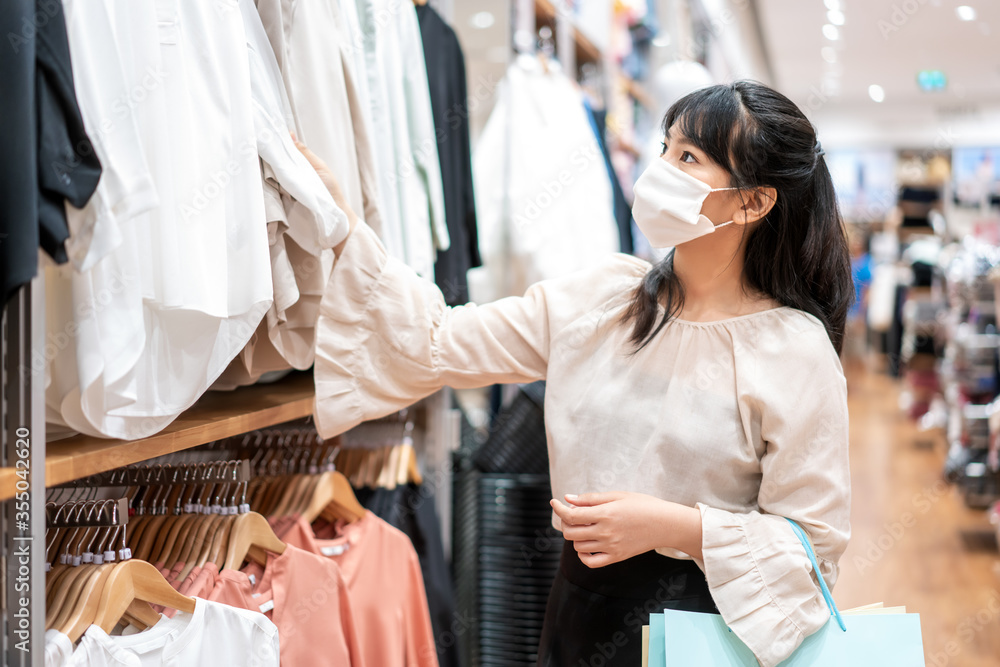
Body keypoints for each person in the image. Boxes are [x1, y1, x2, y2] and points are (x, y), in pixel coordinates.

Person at [299, 80, 853, 667]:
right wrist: (344, 232)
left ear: (752, 202)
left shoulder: (792, 349)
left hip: (713, 628)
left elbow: (811, 548)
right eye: (664, 148)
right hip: (581, 607)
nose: (658, 169)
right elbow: (439, 341)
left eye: (687, 158)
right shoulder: (603, 300)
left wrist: (675, 527)